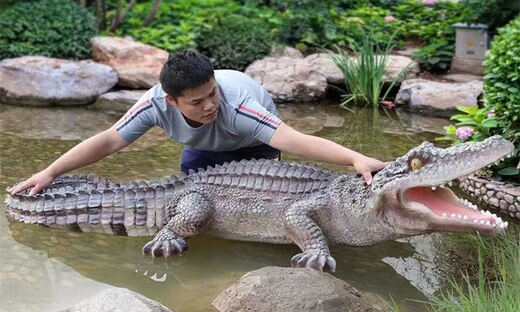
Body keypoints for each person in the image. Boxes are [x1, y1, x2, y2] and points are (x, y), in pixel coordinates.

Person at [9, 51, 386, 196]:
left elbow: (291, 138)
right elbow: (108, 141)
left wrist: (355, 158)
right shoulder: (154, 105)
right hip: (204, 149)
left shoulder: (236, 104)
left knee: (257, 198)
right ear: (172, 101)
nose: (209, 105)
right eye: (197, 101)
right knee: (193, 199)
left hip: (255, 145)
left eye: (212, 93)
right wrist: (50, 172)